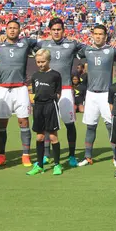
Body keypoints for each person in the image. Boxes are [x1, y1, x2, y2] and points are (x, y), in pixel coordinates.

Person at [35, 18, 86, 167]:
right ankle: (46, 154)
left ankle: (71, 155)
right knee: (45, 125)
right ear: (49, 31)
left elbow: (88, 48)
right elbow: (26, 44)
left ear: (63, 30)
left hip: (65, 90)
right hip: (47, 91)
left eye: (59, 29)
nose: (56, 32)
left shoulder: (72, 44)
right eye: (54, 29)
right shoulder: (43, 44)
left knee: (69, 123)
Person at [0, 20, 37, 167]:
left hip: (20, 88)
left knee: (24, 121)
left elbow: (45, 44)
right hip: (3, 89)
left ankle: (26, 155)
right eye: (9, 28)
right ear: (5, 29)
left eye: (15, 28)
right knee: (2, 122)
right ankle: (1, 156)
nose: (12, 30)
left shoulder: (26, 43)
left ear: (19, 30)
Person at [78, 25, 116, 166]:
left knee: (110, 126)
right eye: (96, 34)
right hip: (91, 94)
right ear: (92, 35)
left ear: (105, 36)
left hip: (106, 94)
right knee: (90, 126)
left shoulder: (111, 50)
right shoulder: (86, 50)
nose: (98, 36)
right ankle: (87, 157)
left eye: (101, 34)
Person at [26, 49, 63, 176]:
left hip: (50, 106)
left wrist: (52, 102)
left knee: (53, 136)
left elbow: (58, 92)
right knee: (39, 136)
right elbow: (35, 92)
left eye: (43, 61)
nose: (41, 64)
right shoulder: (35, 75)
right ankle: (40, 165)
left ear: (48, 61)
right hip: (38, 107)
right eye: (38, 62)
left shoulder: (55, 75)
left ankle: (57, 165)